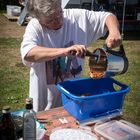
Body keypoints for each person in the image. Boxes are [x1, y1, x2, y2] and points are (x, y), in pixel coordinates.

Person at [20, 0, 122, 112]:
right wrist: (64, 51)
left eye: (59, 14)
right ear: (39, 19)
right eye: (50, 20)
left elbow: (108, 16)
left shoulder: (77, 18)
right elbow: (28, 53)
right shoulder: (35, 26)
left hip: (74, 100)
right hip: (45, 104)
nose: (58, 21)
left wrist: (114, 31)